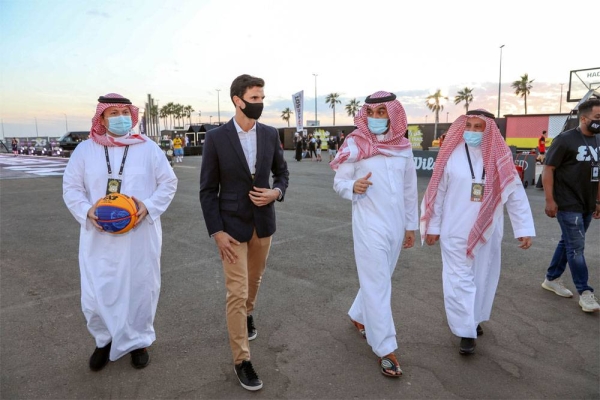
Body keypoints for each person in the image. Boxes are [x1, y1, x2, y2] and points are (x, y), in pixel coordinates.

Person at [62, 93, 178, 371]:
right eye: (112, 113)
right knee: (96, 291)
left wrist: (147, 207)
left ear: (132, 116)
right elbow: (71, 187)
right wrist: (87, 210)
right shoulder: (85, 150)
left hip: (139, 235)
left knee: (141, 288)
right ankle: (103, 340)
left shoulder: (148, 148)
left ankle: (139, 341)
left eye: (124, 112)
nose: (119, 118)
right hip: (98, 236)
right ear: (101, 118)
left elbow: (168, 183)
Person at [199, 74, 289, 391]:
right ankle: (242, 360)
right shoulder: (216, 138)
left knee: (255, 280)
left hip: (264, 225)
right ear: (238, 100)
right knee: (235, 292)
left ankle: (250, 312)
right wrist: (217, 232)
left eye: (261, 97)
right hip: (231, 228)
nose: (259, 103)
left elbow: (282, 173)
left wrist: (276, 193)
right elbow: (208, 190)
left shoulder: (269, 134)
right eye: (254, 98)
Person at [420, 109, 535, 355]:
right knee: (458, 279)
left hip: (488, 229)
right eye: (468, 126)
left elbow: (514, 194)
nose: (471, 131)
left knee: (482, 277)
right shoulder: (450, 154)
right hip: (454, 229)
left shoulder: (500, 157)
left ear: (490, 130)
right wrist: (433, 226)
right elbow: (437, 193)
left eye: (477, 127)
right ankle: (465, 331)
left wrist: (523, 228)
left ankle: (473, 318)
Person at [331, 91, 418, 377]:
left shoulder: (403, 147)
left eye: (383, 112)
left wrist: (410, 226)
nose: (377, 118)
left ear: (392, 115)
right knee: (379, 283)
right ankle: (385, 348)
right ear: (365, 115)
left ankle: (358, 315)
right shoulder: (355, 143)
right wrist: (352, 187)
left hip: (395, 226)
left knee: (379, 279)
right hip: (369, 225)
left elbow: (409, 189)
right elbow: (339, 181)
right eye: (373, 112)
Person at [541, 98, 600, 312]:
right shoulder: (565, 140)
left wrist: (597, 200)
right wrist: (550, 200)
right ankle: (585, 292)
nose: (599, 122)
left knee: (568, 242)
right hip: (567, 203)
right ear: (583, 118)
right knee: (577, 248)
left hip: (587, 202)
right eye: (597, 118)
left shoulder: (598, 140)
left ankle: (552, 278)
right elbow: (548, 169)